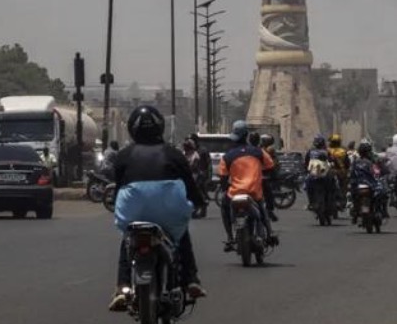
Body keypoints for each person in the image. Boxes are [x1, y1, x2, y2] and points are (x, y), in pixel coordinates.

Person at [108, 105, 207, 312]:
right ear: (160, 126)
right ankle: (191, 280)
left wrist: (117, 204)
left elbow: (118, 188)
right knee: (181, 237)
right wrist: (199, 202)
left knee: (128, 240)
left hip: (133, 209)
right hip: (169, 211)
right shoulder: (173, 154)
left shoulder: (124, 156)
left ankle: (122, 287)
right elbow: (189, 185)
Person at [217, 121, 276, 250]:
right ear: (247, 136)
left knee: (224, 208)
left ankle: (230, 238)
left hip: (235, 194)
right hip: (254, 192)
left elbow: (223, 177)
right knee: (263, 209)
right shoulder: (259, 152)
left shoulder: (227, 156)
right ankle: (270, 233)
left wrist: (225, 188)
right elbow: (271, 166)